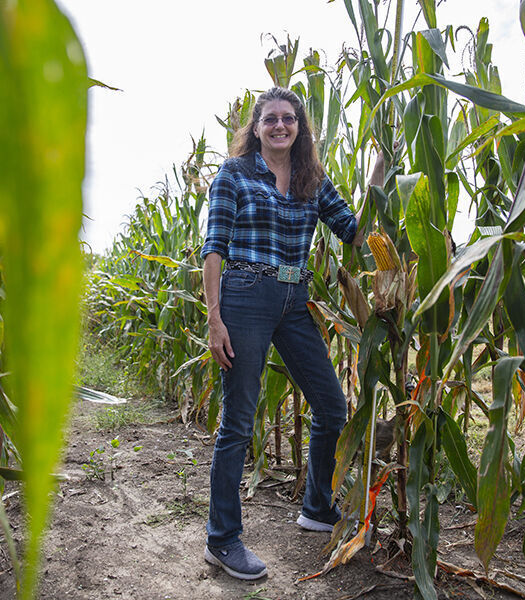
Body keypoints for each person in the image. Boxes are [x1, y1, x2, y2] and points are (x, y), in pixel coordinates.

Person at [200, 86, 364, 580]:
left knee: (332, 406)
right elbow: (214, 249)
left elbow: (354, 230)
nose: (279, 126)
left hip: (296, 302)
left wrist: (379, 180)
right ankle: (222, 540)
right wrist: (214, 318)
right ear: (255, 127)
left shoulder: (313, 180)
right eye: (269, 119)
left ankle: (317, 506)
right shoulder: (234, 174)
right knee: (239, 420)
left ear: (300, 127)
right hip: (246, 295)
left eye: (288, 118)